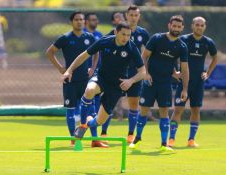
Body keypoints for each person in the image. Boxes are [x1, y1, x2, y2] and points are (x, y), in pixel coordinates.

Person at [61, 22, 146, 141]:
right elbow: (84, 56)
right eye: (123, 34)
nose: (126, 38)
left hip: (117, 85)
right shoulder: (104, 41)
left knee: (99, 121)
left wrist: (130, 81)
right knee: (90, 90)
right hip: (101, 78)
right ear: (116, 32)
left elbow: (143, 72)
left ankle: (88, 124)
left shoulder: (131, 47)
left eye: (128, 35)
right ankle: (82, 124)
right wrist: (69, 71)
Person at [129, 15, 189, 152]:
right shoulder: (157, 38)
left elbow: (185, 68)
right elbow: (144, 56)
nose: (176, 28)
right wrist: (146, 74)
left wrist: (184, 88)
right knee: (143, 110)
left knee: (164, 112)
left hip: (165, 84)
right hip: (150, 82)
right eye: (174, 26)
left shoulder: (182, 46)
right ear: (169, 25)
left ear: (182, 28)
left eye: (179, 27)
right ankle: (137, 139)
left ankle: (164, 144)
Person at [45, 11, 100, 147]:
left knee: (91, 111)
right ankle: (73, 139)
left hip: (86, 80)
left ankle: (95, 140)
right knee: (70, 110)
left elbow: (96, 52)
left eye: (82, 19)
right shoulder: (65, 38)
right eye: (77, 19)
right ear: (72, 22)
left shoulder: (90, 37)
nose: (79, 22)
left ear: (84, 22)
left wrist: (92, 68)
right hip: (70, 81)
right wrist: (60, 68)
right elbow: (50, 52)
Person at [101, 5, 150, 144]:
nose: (133, 17)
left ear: (139, 17)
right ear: (126, 16)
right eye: (131, 15)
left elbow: (149, 52)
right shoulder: (116, 31)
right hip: (117, 74)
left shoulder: (143, 33)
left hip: (134, 75)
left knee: (134, 103)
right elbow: (102, 47)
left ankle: (130, 135)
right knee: (110, 103)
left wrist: (148, 72)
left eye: (136, 15)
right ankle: (103, 134)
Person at [168, 17, 218, 148]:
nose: (199, 27)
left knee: (195, 109)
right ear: (192, 26)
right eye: (197, 25)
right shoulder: (183, 40)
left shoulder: (208, 42)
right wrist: (174, 72)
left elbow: (215, 58)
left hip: (198, 82)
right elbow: (172, 55)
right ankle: (171, 139)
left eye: (202, 25)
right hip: (183, 81)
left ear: (205, 27)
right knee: (178, 109)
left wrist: (207, 73)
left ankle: (191, 140)